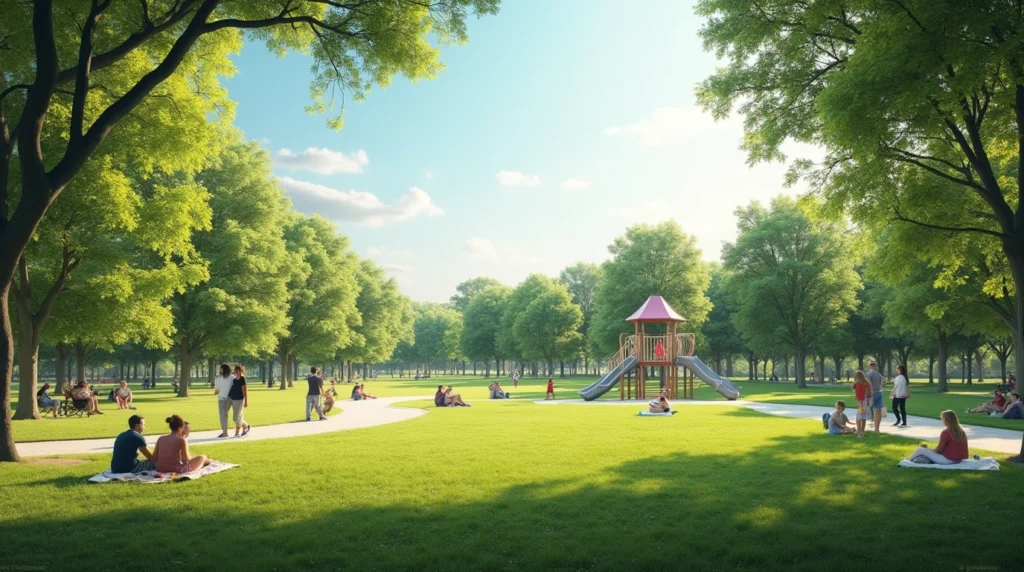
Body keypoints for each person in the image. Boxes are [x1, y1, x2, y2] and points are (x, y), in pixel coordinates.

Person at [212, 363, 235, 438]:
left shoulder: (218, 378)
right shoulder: (232, 377)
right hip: (230, 398)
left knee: (223, 416)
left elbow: (217, 390)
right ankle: (226, 431)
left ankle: (225, 432)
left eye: (221, 368)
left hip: (221, 398)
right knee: (226, 414)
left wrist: (214, 393)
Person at [229, 364, 250, 437]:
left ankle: (246, 426)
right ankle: (237, 433)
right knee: (239, 417)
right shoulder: (235, 379)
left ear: (241, 371)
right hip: (233, 399)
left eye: (238, 370)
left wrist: (246, 402)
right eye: (236, 370)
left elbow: (245, 390)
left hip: (239, 400)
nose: (237, 372)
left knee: (236, 418)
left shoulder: (242, 378)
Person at [866, 361, 885, 433]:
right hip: (878, 392)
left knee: (869, 409)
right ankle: (877, 429)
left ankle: (871, 422)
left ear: (869, 366)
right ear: (876, 366)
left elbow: (869, 385)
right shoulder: (879, 375)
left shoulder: (868, 374)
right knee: (878, 411)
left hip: (871, 393)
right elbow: (882, 384)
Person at [851, 371, 872, 438]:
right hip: (866, 402)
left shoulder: (859, 384)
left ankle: (859, 432)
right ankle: (862, 431)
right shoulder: (866, 383)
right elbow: (869, 394)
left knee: (858, 417)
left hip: (861, 402)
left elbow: (858, 392)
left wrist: (860, 401)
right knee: (863, 417)